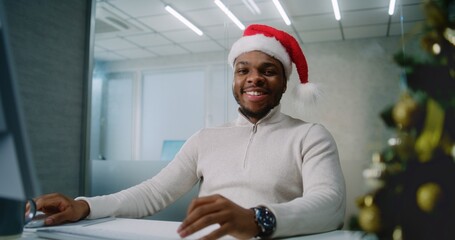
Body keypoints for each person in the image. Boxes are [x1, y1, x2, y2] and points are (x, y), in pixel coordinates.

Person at [33, 24, 346, 239]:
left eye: (268, 71)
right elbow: (153, 193)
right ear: (234, 79)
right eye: (243, 70)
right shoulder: (206, 138)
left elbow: (329, 204)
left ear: (284, 82)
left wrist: (256, 219)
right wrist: (84, 206)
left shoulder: (310, 136)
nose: (254, 78)